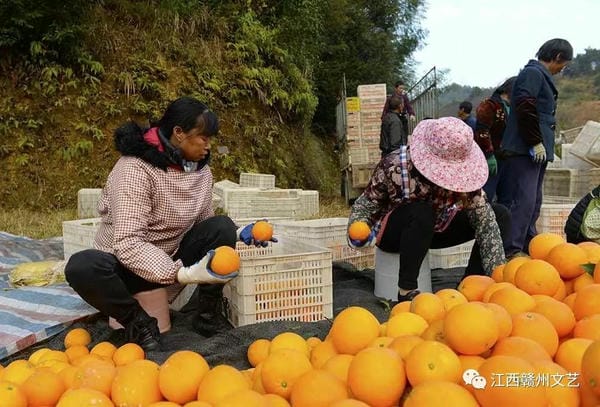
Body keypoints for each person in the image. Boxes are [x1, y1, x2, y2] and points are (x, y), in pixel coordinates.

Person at [64, 96, 276, 351]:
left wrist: (241, 232)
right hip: (125, 268)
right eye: (203, 138)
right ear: (178, 133)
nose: (208, 146)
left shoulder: (200, 171)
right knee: (82, 266)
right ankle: (139, 322)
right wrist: (181, 273)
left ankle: (208, 316)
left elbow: (204, 222)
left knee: (220, 226)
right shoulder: (135, 170)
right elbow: (129, 243)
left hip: (169, 259)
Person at [347, 117, 510, 302]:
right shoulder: (394, 166)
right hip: (397, 233)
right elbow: (367, 203)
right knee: (422, 211)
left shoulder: (466, 181)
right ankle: (406, 291)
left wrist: (497, 278)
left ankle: (470, 287)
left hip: (435, 229)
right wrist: (357, 228)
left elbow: (485, 222)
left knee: (499, 214)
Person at [499, 38, 573, 257]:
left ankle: (527, 242)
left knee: (534, 200)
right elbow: (524, 106)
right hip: (524, 149)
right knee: (523, 199)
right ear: (558, 57)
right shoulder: (532, 73)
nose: (562, 69)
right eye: (564, 64)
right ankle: (511, 248)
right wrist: (534, 141)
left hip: (535, 151)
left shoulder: (540, 76)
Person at [474, 76, 517, 201]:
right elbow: (482, 130)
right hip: (492, 158)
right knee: (487, 194)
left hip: (508, 158)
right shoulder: (489, 105)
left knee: (507, 197)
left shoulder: (513, 109)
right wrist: (488, 154)